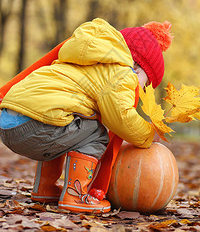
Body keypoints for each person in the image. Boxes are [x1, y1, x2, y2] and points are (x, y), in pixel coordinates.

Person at [0, 18, 173, 213]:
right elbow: (120, 118)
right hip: (37, 126)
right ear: (137, 67)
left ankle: (45, 188)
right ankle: (76, 196)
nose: (141, 91)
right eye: (146, 83)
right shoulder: (122, 73)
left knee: (66, 121)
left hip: (8, 122)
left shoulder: (80, 59)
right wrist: (147, 134)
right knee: (96, 134)